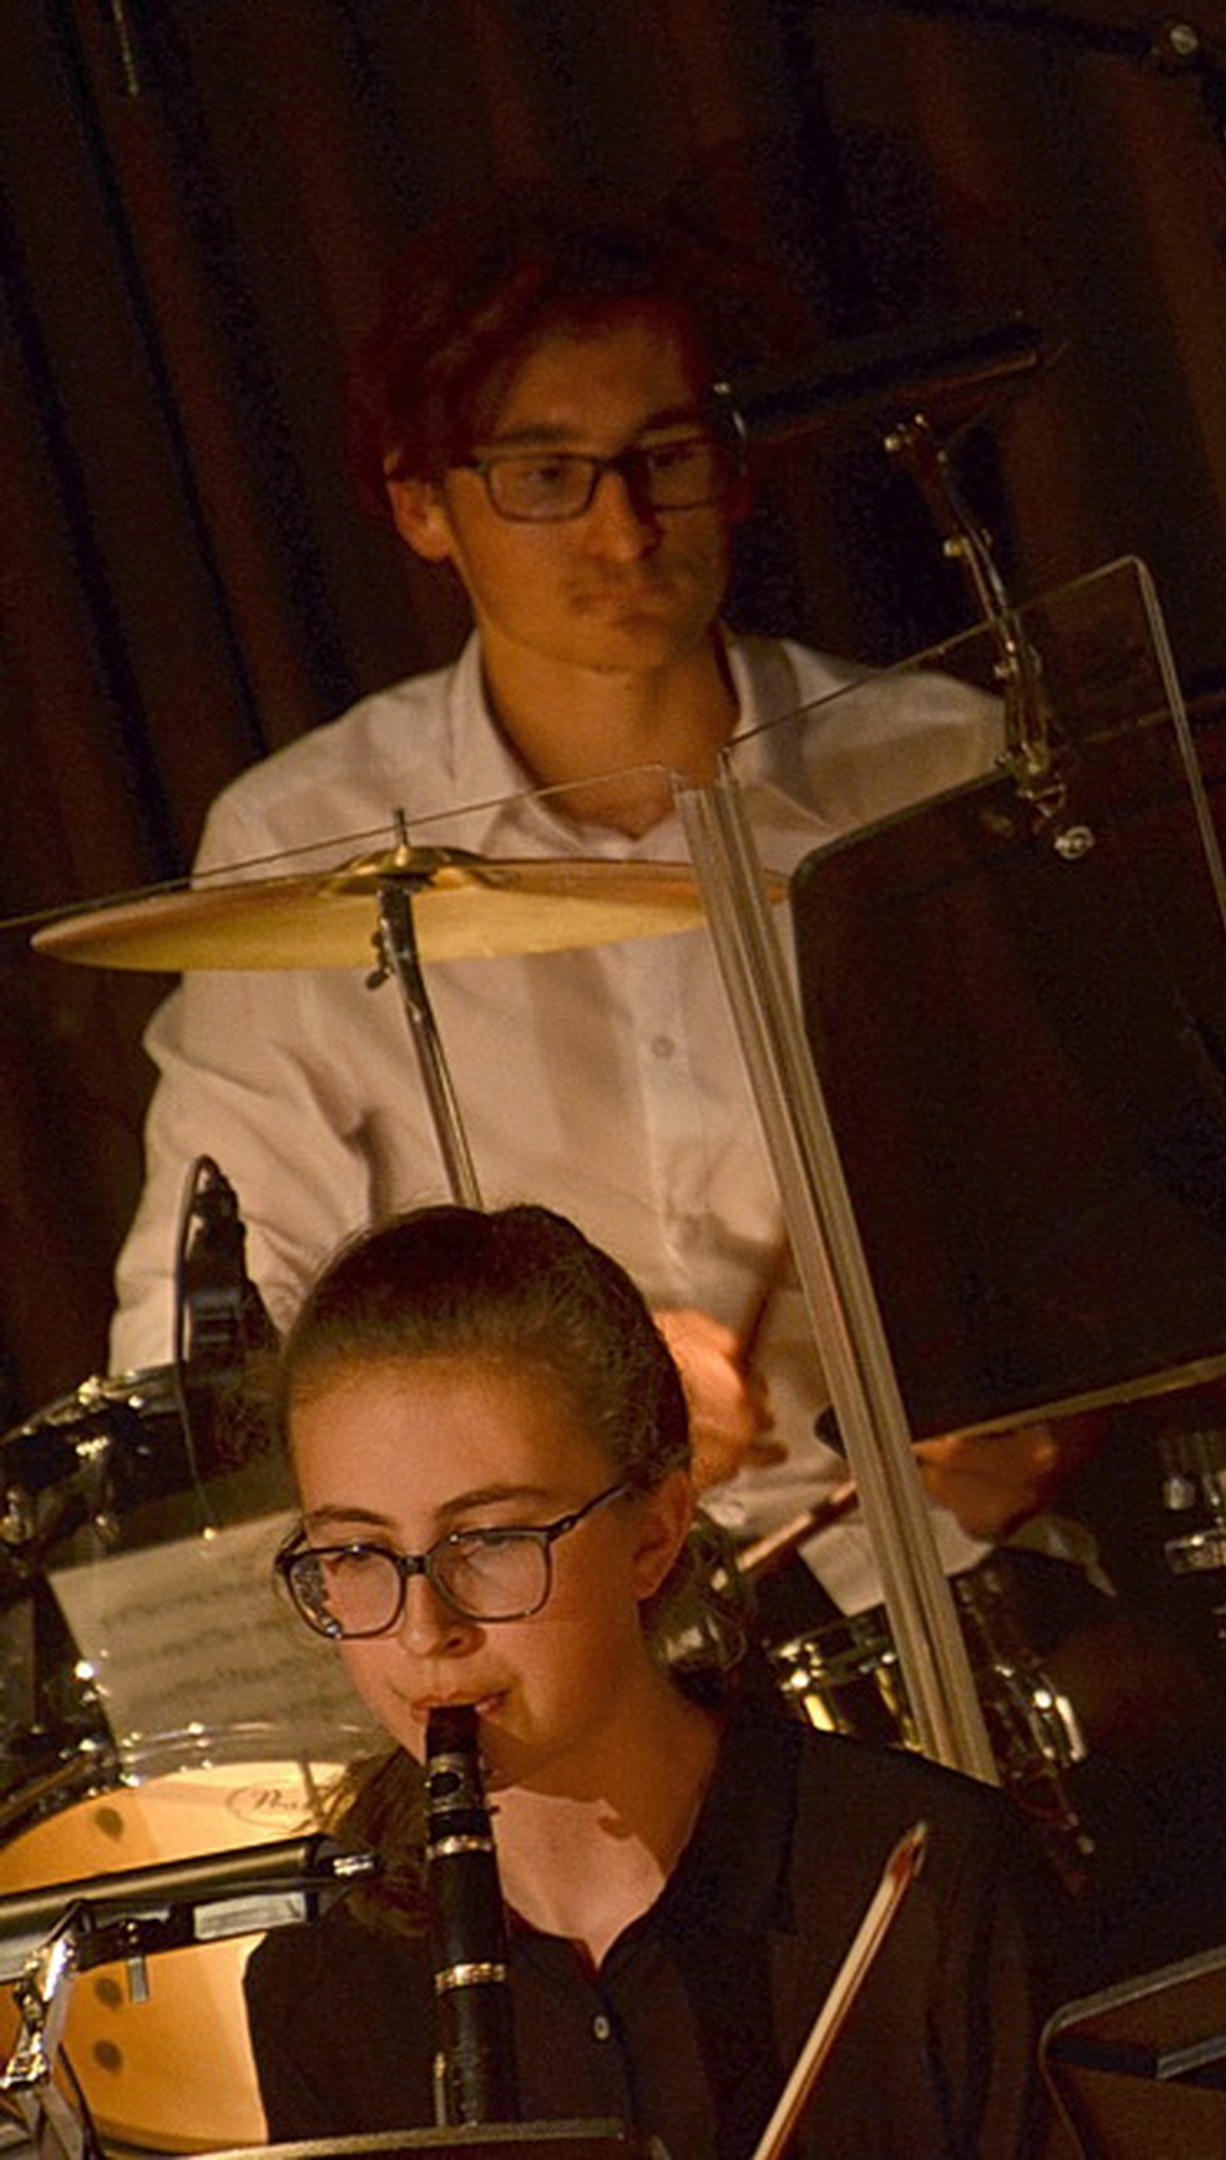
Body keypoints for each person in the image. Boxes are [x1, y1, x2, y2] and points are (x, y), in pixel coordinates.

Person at [103, 185, 1053, 1601]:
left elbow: (1122, 1200)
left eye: (664, 459)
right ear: (421, 504)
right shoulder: (304, 835)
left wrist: (1055, 1412)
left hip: (924, 1570)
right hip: (531, 1605)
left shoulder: (940, 761)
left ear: (733, 469)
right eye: (545, 475)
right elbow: (199, 1351)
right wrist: (547, 1393)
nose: (624, 533)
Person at [241, 1203, 1090, 2156]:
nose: (424, 1627)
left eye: (490, 1541)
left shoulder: (930, 1883)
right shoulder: (323, 1998)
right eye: (355, 1554)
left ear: (654, 1532)